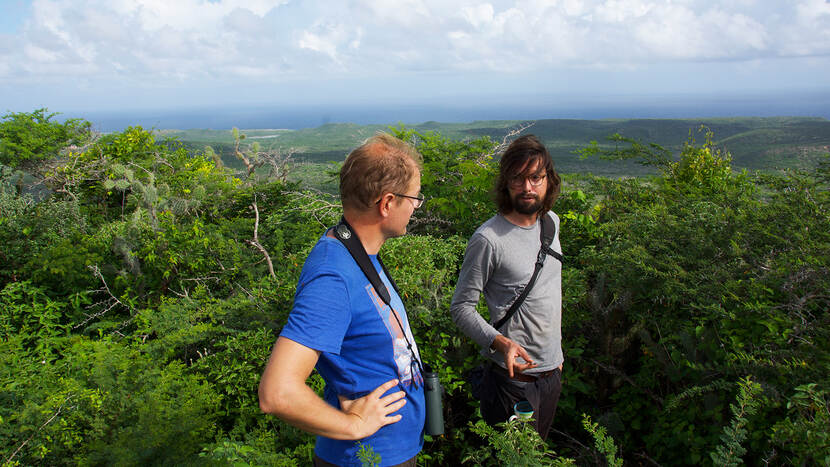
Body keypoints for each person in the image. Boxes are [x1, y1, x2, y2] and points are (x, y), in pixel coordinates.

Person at [259, 133, 426, 466]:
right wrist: (354, 425)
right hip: (364, 457)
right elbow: (277, 393)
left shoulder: (358, 254)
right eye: (415, 197)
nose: (417, 206)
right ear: (388, 203)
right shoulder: (333, 277)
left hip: (390, 452)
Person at [450, 134, 564, 440]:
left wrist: (558, 357)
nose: (528, 187)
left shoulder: (550, 224)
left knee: (538, 459)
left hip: (551, 375)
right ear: (506, 182)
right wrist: (500, 343)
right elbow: (461, 307)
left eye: (536, 177)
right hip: (512, 382)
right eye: (518, 178)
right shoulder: (489, 239)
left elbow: (550, 295)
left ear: (548, 180)